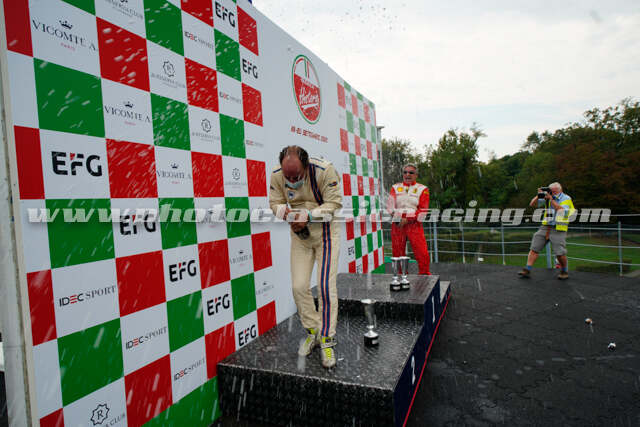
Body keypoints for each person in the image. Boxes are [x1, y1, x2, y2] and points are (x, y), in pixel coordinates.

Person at [268, 146, 342, 368]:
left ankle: (327, 339)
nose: (291, 181)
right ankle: (314, 331)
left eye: (296, 176)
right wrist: (287, 214)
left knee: (325, 287)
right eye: (288, 176)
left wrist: (308, 215)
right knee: (298, 287)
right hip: (301, 237)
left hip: (326, 235)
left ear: (306, 166)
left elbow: (334, 204)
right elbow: (275, 203)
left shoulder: (324, 170)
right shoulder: (277, 174)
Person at [519, 182, 575, 280]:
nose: (551, 193)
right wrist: (539, 195)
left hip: (558, 227)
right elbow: (532, 204)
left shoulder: (566, 198)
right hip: (545, 227)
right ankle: (527, 269)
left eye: (553, 191)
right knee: (534, 248)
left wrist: (551, 199)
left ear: (559, 190)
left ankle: (564, 271)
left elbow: (562, 211)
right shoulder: (547, 197)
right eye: (550, 191)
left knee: (560, 253)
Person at [387, 163, 431, 275]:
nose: (407, 174)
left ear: (416, 175)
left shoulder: (423, 189)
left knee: (422, 252)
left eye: (411, 172)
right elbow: (390, 207)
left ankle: (424, 275)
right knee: (397, 252)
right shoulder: (395, 187)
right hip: (398, 224)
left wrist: (407, 219)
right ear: (402, 174)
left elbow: (423, 210)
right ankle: (400, 276)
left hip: (414, 224)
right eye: (405, 172)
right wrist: (398, 219)